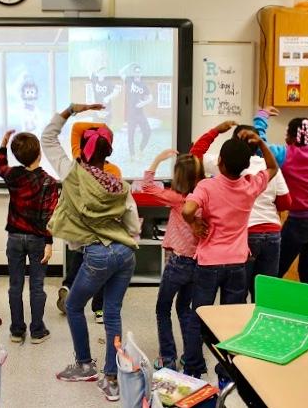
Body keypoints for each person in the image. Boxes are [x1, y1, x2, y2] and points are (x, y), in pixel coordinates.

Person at [43, 103, 140, 402]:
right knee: (111, 312)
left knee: (74, 306)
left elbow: (48, 138)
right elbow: (133, 224)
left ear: (82, 151)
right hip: (125, 254)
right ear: (108, 153)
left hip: (98, 255)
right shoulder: (120, 185)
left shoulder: (71, 172)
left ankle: (85, 365)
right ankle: (111, 378)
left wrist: (71, 110)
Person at [181, 130, 277, 378]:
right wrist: (261, 142)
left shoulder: (207, 186)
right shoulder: (250, 186)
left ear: (220, 162)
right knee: (231, 319)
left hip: (209, 263)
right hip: (237, 262)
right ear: (245, 166)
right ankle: (226, 370)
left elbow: (188, 209)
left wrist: (194, 224)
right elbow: (273, 168)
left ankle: (193, 368)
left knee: (198, 315)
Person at [191, 119, 292, 300]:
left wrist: (215, 130)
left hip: (245, 236)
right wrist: (262, 143)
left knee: (237, 293)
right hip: (272, 233)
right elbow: (285, 202)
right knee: (265, 294)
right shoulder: (260, 173)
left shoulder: (222, 167)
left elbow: (194, 155)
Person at [142, 148, 204, 371]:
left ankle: (167, 358)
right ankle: (190, 357)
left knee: (162, 308)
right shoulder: (203, 199)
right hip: (198, 263)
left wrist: (158, 159)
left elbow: (146, 186)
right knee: (185, 309)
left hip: (178, 263)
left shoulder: (177, 199)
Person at [255, 107, 308, 284]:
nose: (285, 139)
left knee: (277, 269)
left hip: (300, 221)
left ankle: (271, 300)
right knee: (307, 268)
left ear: (294, 137)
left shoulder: (287, 154)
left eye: (287, 135)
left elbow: (259, 147)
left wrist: (261, 116)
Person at [0, 130, 58, 344]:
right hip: (37, 239)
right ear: (39, 153)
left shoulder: (13, 175)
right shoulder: (49, 182)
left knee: (15, 285)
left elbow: (1, 167)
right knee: (37, 286)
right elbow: (49, 217)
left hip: (14, 238)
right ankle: (37, 331)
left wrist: (3, 145)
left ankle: (16, 331)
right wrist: (49, 242)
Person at [57, 121, 120, 322]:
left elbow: (76, 127)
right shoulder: (114, 171)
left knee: (81, 256)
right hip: (103, 229)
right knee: (104, 267)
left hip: (82, 225)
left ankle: (69, 286)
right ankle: (99, 309)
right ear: (108, 148)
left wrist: (102, 125)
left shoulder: (78, 162)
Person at [120, 63, 153, 160]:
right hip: (131, 114)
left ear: (141, 73)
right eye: (135, 72)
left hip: (140, 113)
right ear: (133, 73)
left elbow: (150, 98)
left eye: (139, 72)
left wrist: (143, 103)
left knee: (148, 132)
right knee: (130, 135)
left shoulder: (143, 85)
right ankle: (132, 155)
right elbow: (120, 72)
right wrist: (130, 65)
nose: (137, 73)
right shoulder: (129, 81)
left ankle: (141, 149)